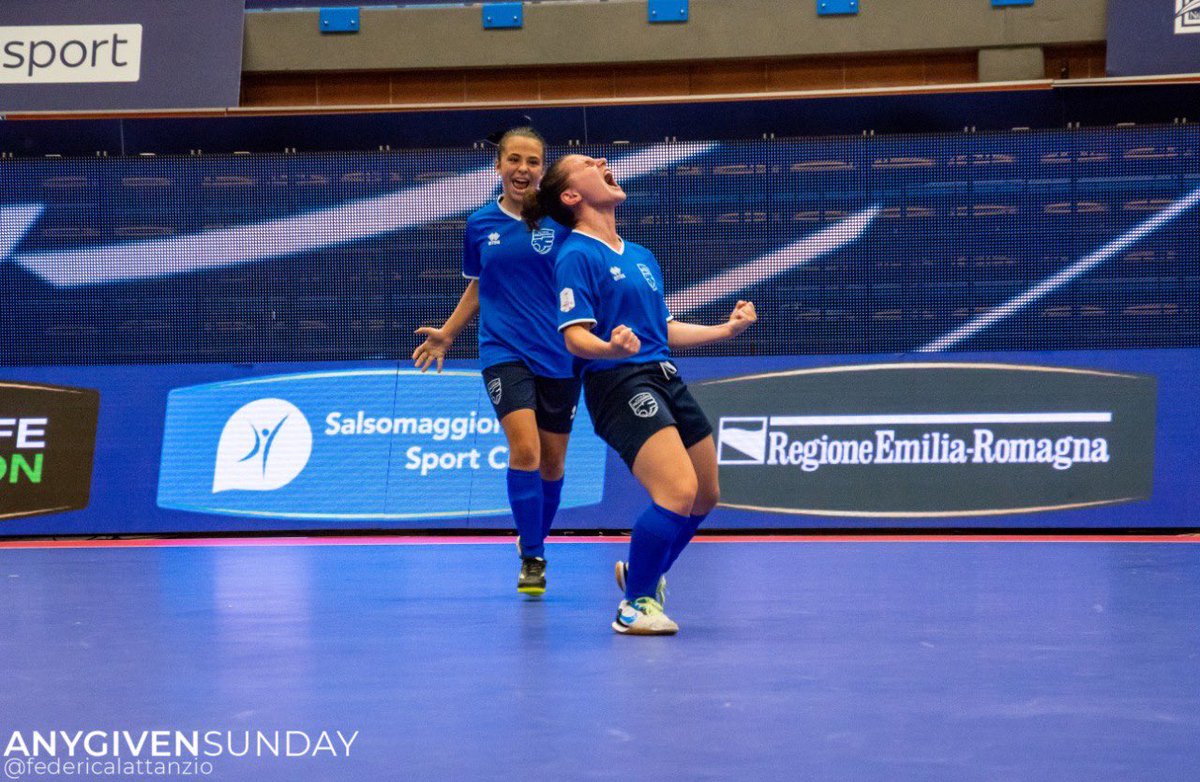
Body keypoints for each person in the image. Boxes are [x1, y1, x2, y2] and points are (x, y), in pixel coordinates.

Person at [522, 154, 757, 635]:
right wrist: (608, 346)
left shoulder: (641, 256)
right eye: (588, 163)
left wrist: (724, 332)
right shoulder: (576, 255)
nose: (603, 161)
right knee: (676, 490)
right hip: (618, 382)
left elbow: (663, 328)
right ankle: (634, 605)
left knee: (705, 494)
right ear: (571, 196)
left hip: (664, 374)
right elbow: (574, 337)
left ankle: (642, 574)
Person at [413, 127, 579, 597]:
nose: (522, 169)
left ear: (542, 169)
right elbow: (481, 282)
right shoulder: (480, 224)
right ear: (499, 166)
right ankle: (533, 555)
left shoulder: (563, 222)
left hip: (560, 355)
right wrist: (447, 334)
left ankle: (534, 538)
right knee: (524, 450)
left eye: (532, 161)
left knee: (552, 466)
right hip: (503, 352)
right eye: (514, 160)